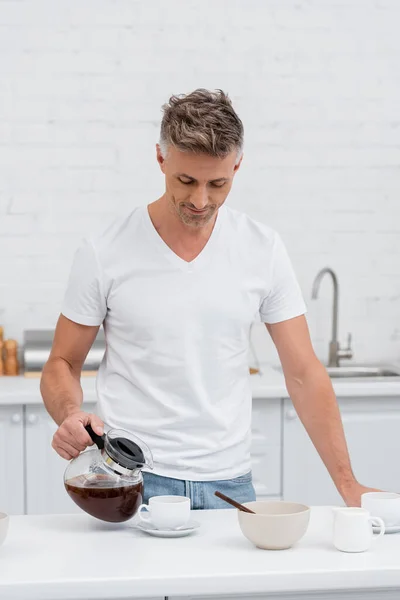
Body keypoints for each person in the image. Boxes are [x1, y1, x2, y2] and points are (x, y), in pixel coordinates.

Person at [41, 88, 376, 510]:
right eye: (186, 181)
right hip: (129, 479)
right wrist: (70, 412)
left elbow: (304, 374)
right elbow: (62, 363)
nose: (201, 201)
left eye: (218, 183)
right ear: (161, 160)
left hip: (229, 487)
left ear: (237, 165)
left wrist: (349, 486)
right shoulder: (105, 250)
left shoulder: (262, 248)